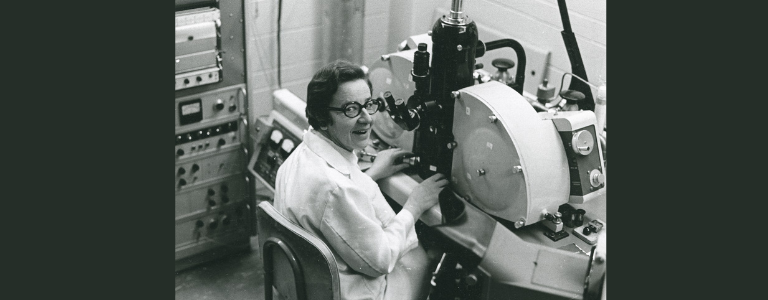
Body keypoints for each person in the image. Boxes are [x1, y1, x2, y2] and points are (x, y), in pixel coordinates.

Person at [273, 60, 448, 300]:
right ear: (323, 118)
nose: (367, 118)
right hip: (353, 294)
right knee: (427, 257)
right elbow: (381, 261)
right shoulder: (335, 188)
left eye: (369, 104)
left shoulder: (297, 159)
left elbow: (333, 203)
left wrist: (372, 173)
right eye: (351, 109)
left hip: (304, 288)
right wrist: (414, 205)